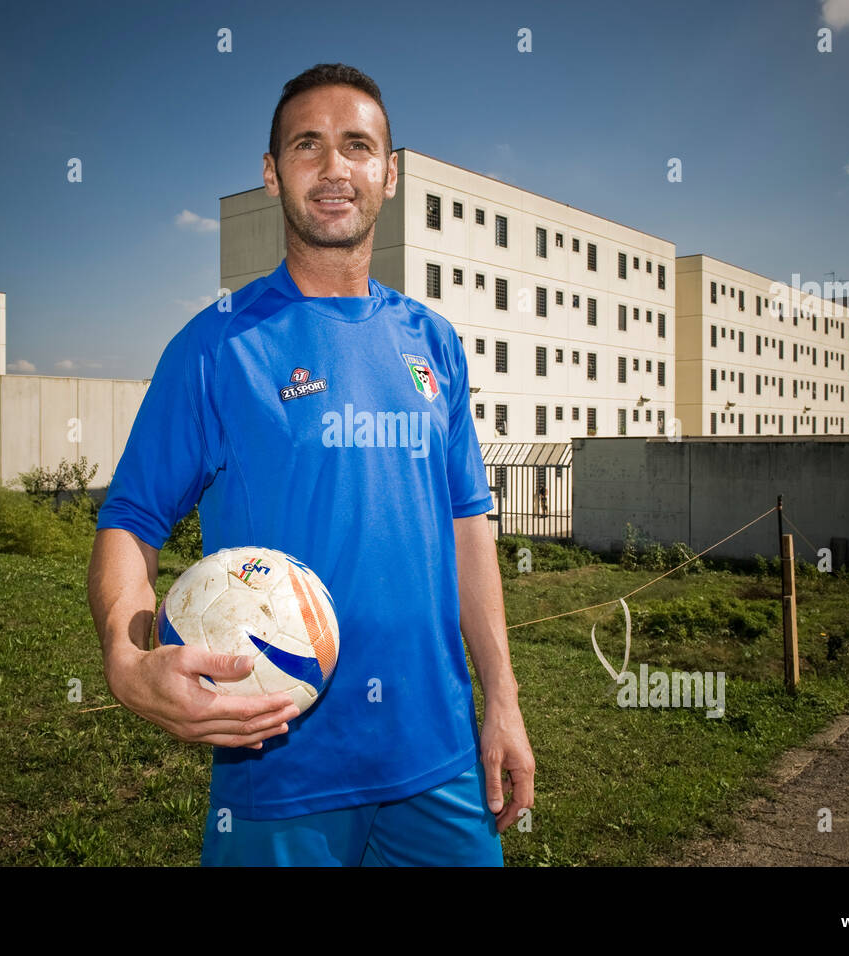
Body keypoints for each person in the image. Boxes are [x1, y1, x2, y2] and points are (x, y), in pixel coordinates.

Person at [87, 62, 534, 866]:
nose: (335, 168)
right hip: (276, 769)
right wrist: (124, 659)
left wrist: (501, 698)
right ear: (272, 172)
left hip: (439, 761)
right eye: (307, 146)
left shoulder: (434, 342)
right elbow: (131, 520)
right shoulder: (216, 346)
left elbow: (471, 529)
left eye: (357, 147)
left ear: (389, 175)